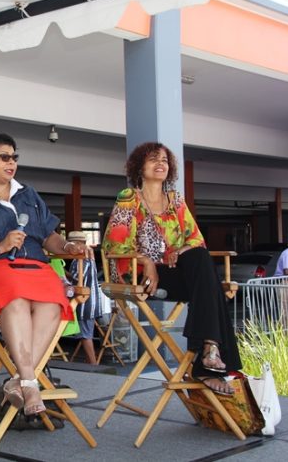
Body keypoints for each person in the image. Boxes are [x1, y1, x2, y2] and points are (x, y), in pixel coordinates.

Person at [0, 131, 93, 416]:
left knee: (54, 303)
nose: (11, 162)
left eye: (14, 157)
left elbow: (48, 237)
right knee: (18, 300)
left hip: (36, 269)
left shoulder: (29, 195)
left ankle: (20, 381)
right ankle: (30, 381)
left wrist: (67, 247)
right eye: (3, 157)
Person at [102, 141, 241, 395]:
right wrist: (147, 263)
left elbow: (196, 239)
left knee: (200, 258)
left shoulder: (176, 200)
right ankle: (206, 360)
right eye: (154, 159)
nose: (161, 164)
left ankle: (209, 349)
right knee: (212, 287)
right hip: (139, 273)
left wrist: (179, 251)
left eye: (165, 160)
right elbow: (115, 246)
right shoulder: (129, 199)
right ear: (138, 166)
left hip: (174, 272)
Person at [64, 231, 102, 365]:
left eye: (72, 244)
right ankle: (91, 363)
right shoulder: (86, 256)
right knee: (86, 334)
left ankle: (93, 365)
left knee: (86, 335)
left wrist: (63, 273)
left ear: (79, 244)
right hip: (89, 301)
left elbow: (76, 278)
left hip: (86, 302)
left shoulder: (82, 257)